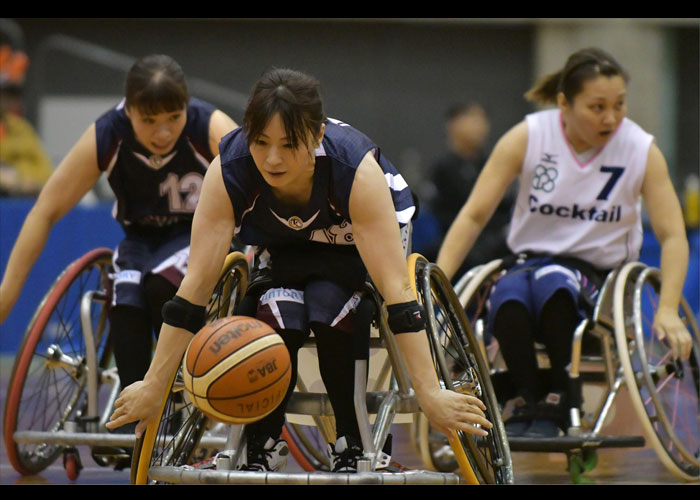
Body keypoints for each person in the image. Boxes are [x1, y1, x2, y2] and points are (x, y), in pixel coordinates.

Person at [106, 67, 493, 473]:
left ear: (317, 135)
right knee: (275, 308)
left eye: (289, 144)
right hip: (286, 250)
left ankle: (351, 440)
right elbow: (195, 287)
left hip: (355, 247)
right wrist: (154, 384)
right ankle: (262, 443)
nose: (272, 158)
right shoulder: (230, 168)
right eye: (261, 142)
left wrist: (429, 392)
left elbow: (397, 290)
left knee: (331, 303)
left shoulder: (354, 170)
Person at [437, 48, 692, 438]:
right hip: (527, 262)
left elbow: (673, 234)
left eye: (619, 105)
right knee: (506, 292)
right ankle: (526, 397)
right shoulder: (530, 136)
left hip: (598, 276)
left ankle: (561, 397)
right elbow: (473, 215)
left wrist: (669, 308)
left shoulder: (640, 149)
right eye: (597, 107)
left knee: (553, 282)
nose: (611, 117)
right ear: (564, 103)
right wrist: (436, 284)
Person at [0, 54, 237, 461]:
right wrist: (8, 290)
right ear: (128, 112)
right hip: (140, 239)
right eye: (149, 121)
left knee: (165, 284)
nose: (163, 132)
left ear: (187, 108)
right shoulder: (108, 134)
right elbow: (45, 210)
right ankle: (132, 412)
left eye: (173, 118)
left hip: (199, 236)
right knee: (124, 293)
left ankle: (178, 403)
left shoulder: (209, 126)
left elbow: (261, 180)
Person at [430, 102, 513, 275]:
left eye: (483, 120)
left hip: (495, 243)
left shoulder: (490, 163)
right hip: (462, 246)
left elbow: (505, 205)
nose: (482, 126)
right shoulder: (444, 168)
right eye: (474, 119)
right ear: (454, 125)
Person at [0, 44, 53, 196]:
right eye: (5, 92)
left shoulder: (21, 127)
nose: (9, 99)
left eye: (14, 93)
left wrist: (19, 179)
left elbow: (46, 173)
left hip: (22, 201)